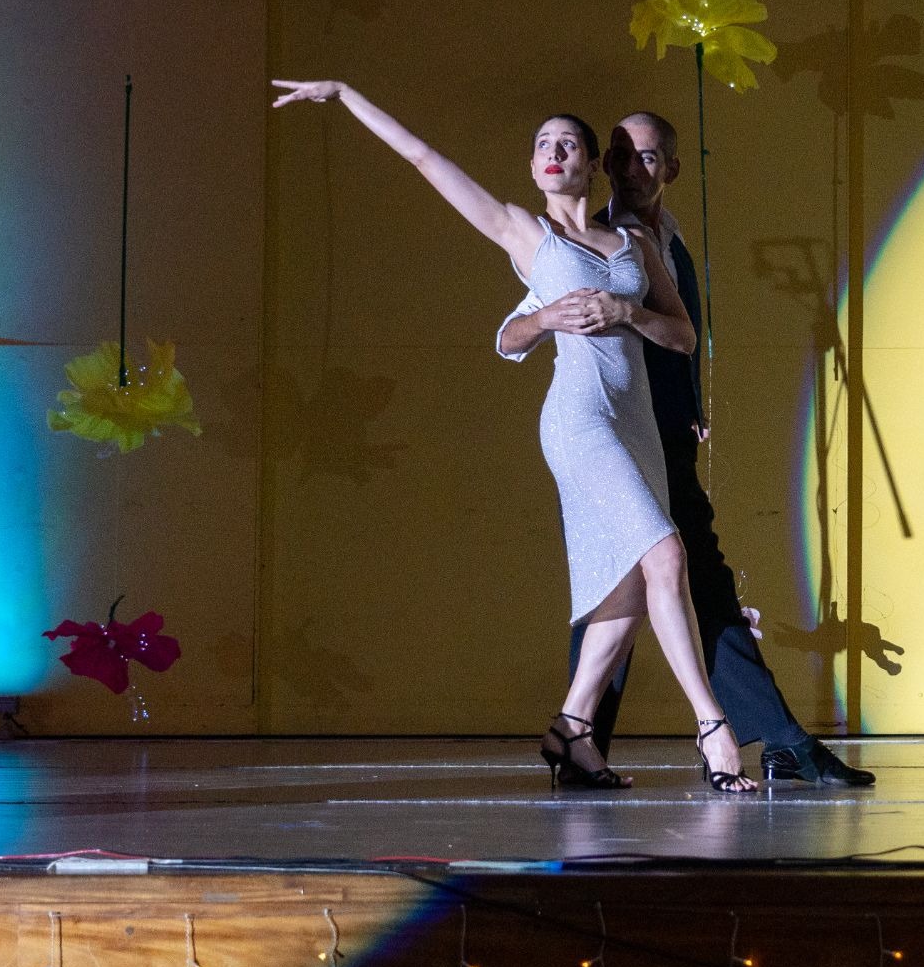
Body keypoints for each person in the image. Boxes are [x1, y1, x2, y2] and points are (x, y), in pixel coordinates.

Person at [270, 80, 757, 792]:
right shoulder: (527, 233)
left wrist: (626, 311)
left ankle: (573, 728)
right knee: (665, 554)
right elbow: (424, 160)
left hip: (637, 425)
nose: (554, 152)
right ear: (533, 167)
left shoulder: (634, 242)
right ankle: (713, 728)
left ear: (592, 163)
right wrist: (345, 95)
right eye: (542, 145)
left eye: (568, 143)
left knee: (625, 585)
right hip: (579, 420)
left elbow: (682, 335)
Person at [497, 112, 875, 786]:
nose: (629, 168)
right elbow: (530, 325)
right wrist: (551, 320)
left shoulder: (657, 238)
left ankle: (585, 739)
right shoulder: (583, 240)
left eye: (644, 157)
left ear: (670, 168)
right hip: (611, 434)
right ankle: (757, 736)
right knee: (657, 575)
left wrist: (689, 405)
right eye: (618, 155)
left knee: (662, 577)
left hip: (662, 432)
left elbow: (677, 334)